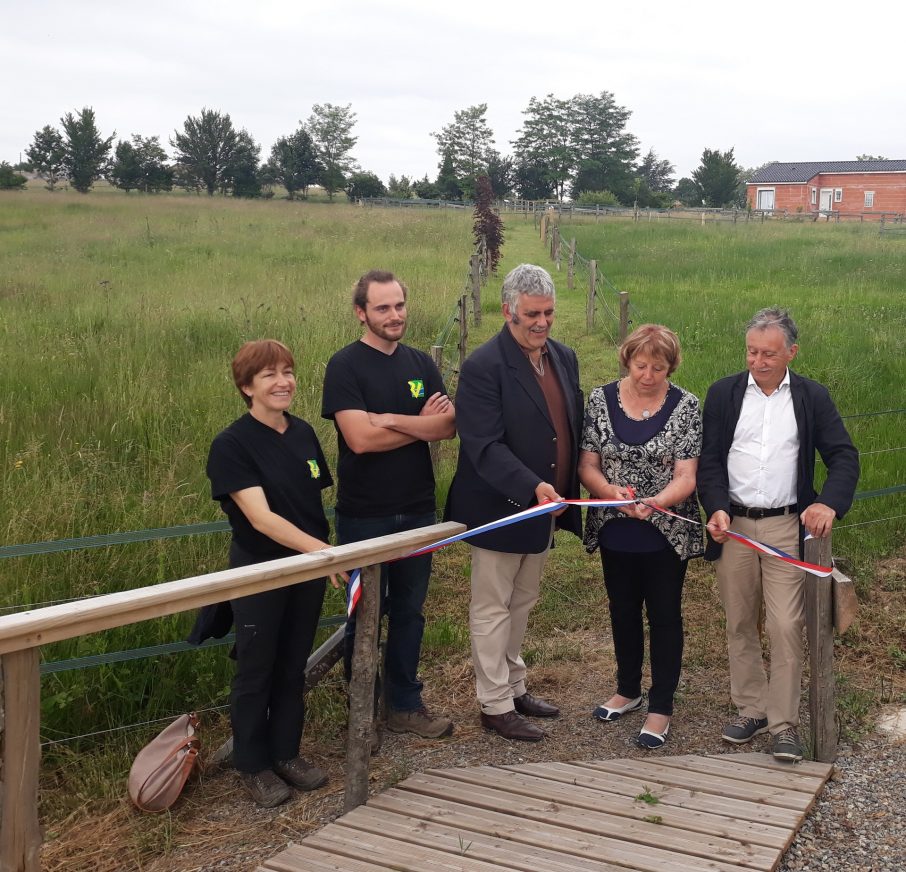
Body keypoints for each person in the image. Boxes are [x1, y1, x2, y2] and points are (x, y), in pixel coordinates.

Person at [699, 307, 858, 762]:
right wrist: (715, 507)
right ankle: (751, 708)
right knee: (740, 620)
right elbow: (710, 460)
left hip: (788, 526)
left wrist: (828, 502)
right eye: (752, 351)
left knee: (787, 624)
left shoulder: (812, 397)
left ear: (791, 352)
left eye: (769, 353)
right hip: (734, 527)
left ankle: (783, 724)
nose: (758, 360)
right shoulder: (723, 394)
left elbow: (843, 455)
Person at [190, 340, 343, 808]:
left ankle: (287, 753)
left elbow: (310, 502)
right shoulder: (232, 445)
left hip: (307, 570)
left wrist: (317, 556)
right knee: (256, 669)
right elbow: (261, 518)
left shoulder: (303, 434)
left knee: (292, 663)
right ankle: (254, 766)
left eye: (288, 371)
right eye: (269, 375)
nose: (283, 382)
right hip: (260, 571)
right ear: (245, 387)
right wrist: (325, 552)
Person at [446, 263, 583, 741]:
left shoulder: (564, 357)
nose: (541, 323)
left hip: (547, 506)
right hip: (499, 507)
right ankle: (494, 703)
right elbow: (483, 445)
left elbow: (568, 425)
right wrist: (532, 487)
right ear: (508, 311)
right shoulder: (484, 366)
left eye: (548, 313)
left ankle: (514, 684)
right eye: (531, 315)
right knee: (492, 606)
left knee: (523, 601)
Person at [321, 269, 456, 739]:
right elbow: (358, 440)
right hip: (365, 514)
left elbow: (446, 427)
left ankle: (404, 704)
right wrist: (416, 425)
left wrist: (393, 420)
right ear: (362, 313)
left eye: (399, 305)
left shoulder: (420, 364)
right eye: (382, 308)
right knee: (365, 615)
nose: (394, 315)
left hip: (417, 509)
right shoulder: (345, 367)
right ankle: (363, 712)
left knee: (410, 612)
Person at [578, 324, 703, 749]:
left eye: (658, 367)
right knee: (622, 609)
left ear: (671, 366)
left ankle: (661, 706)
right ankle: (628, 689)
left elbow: (687, 476)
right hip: (615, 527)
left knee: (665, 615)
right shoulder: (599, 399)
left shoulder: (687, 406)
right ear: (627, 360)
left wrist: (656, 502)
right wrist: (610, 494)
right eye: (640, 365)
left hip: (665, 531)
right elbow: (587, 465)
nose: (648, 375)